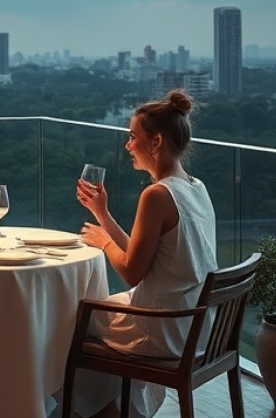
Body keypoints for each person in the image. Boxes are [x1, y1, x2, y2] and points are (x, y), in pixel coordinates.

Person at [69, 89, 219, 418]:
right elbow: (143, 255)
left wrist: (103, 242)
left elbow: (132, 272)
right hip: (195, 324)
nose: (127, 145)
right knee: (96, 311)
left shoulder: (156, 195)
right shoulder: (196, 187)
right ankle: (117, 407)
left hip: (164, 329)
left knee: (69, 320)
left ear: (156, 142)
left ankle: (96, 409)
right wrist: (102, 214)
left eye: (133, 136)